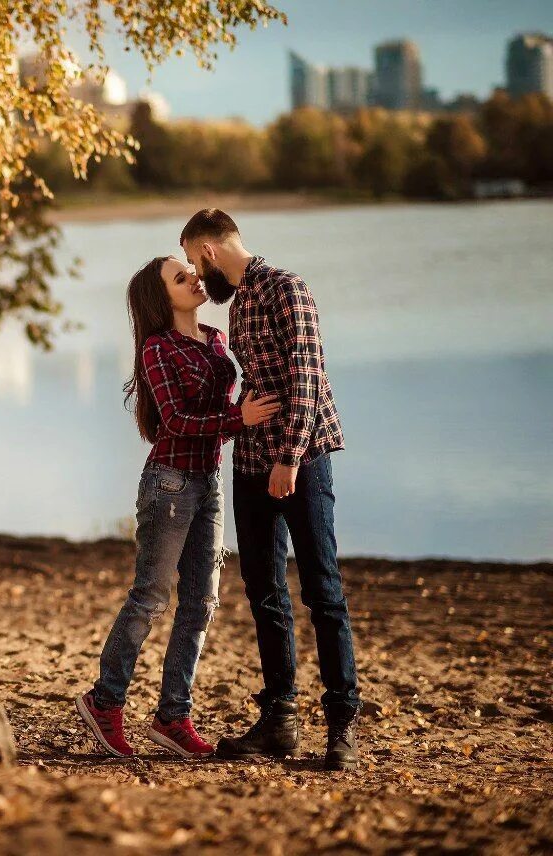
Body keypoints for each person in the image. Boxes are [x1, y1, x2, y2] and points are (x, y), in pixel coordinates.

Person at [75, 255, 280, 759]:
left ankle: (172, 716)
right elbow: (177, 421)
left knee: (201, 603)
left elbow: (223, 404)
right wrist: (239, 419)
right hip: (168, 482)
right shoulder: (156, 349)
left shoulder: (214, 339)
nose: (193, 279)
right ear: (160, 296)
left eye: (190, 272)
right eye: (180, 277)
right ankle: (104, 700)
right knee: (149, 598)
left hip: (209, 480)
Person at [179, 208, 361, 772]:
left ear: (208, 251)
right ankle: (280, 719)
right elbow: (259, 385)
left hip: (299, 459)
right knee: (264, 591)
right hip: (251, 464)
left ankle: (341, 726)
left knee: (322, 591)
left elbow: (309, 378)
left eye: (191, 260)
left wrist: (289, 457)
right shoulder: (238, 303)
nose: (194, 271)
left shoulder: (288, 290)